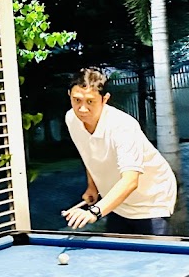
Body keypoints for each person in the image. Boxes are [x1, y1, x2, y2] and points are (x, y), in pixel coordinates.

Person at [61, 67, 178, 235]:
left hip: (151, 201)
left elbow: (131, 181)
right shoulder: (72, 118)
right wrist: (92, 187)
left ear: (105, 99)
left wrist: (94, 212)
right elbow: (89, 153)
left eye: (90, 102)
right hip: (117, 202)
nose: (82, 109)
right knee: (117, 250)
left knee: (155, 252)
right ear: (69, 96)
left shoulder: (123, 126)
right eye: (77, 100)